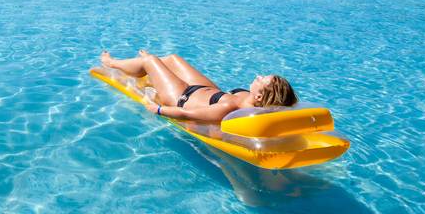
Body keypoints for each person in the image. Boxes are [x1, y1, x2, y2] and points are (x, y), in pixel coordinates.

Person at [98, 51, 297, 124]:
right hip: (208, 92)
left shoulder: (231, 109)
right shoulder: (251, 100)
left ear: (261, 97)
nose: (257, 76)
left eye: (261, 79)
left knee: (150, 61)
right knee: (173, 59)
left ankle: (113, 63)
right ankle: (153, 74)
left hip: (181, 97)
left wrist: (158, 109)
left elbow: (189, 116)